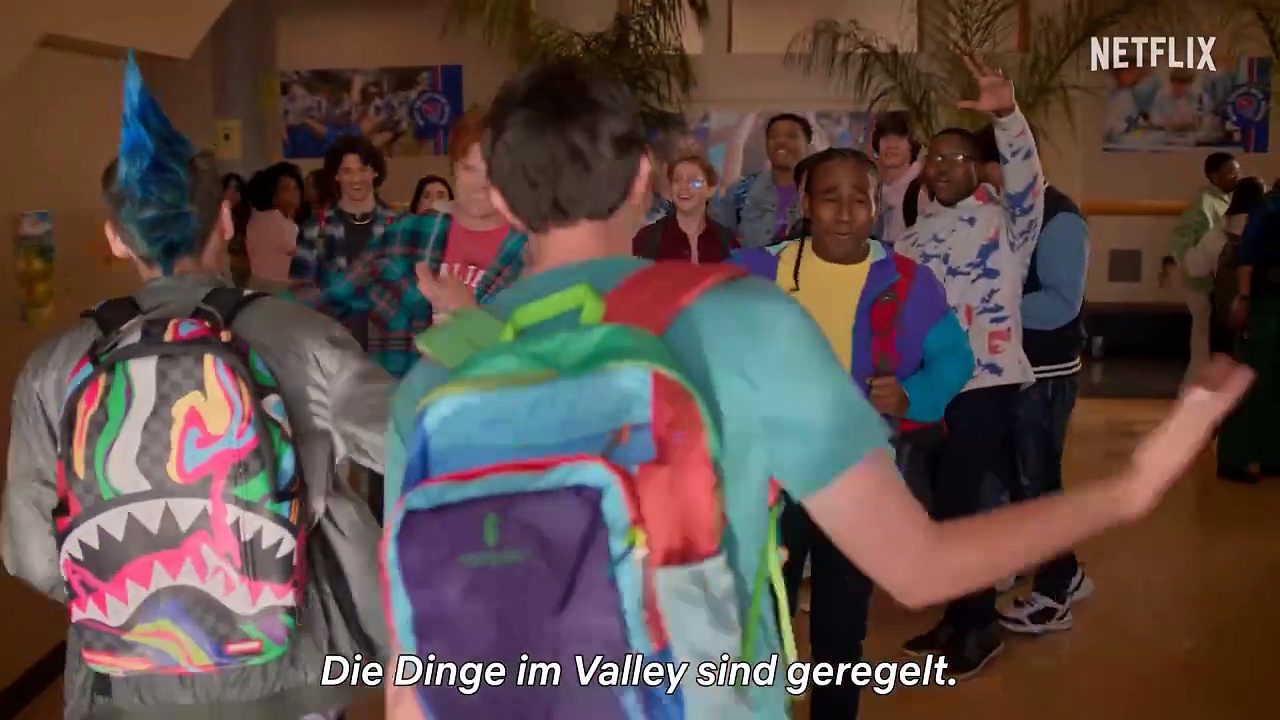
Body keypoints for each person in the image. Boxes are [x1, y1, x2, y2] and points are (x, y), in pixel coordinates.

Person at [383, 59, 1250, 720]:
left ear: (501, 195)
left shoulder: (436, 376)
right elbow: (917, 564)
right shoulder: (742, 319)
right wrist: (1127, 490)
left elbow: (411, 660)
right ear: (645, 177)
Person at [1, 53, 389, 720]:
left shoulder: (54, 366)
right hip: (294, 678)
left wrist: (145, 603)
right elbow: (411, 443)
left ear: (116, 239)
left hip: (123, 690)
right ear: (227, 221)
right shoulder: (304, 336)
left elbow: (30, 555)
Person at [734, 147, 972, 719]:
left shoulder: (908, 282)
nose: (844, 213)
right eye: (829, 198)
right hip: (772, 482)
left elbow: (955, 360)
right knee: (760, 622)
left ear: (876, 207)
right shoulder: (754, 272)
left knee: (841, 630)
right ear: (805, 203)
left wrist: (912, 395)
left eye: (858, 200)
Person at [896, 54, 1048, 676]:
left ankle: (979, 624)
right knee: (941, 507)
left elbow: (1028, 182)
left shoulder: (1006, 223)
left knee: (963, 503)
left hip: (987, 383)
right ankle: (960, 615)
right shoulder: (910, 239)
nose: (941, 166)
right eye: (933, 157)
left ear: (977, 167)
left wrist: (1007, 115)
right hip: (931, 388)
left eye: (955, 157)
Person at [962, 123, 1095, 634]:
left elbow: (1061, 303)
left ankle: (1055, 595)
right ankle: (1067, 572)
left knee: (1037, 483)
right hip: (1007, 369)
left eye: (988, 166)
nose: (986, 178)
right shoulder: (1002, 214)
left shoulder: (1059, 217)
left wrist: (985, 308)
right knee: (1018, 481)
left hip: (1045, 372)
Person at [290, 135, 402, 351]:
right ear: (336, 175)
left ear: (375, 172)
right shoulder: (314, 228)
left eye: (362, 170)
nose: (356, 179)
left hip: (388, 344)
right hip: (332, 343)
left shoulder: (398, 225)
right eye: (347, 171)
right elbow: (300, 290)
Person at [1220, 179, 1280, 483]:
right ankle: (1234, 458)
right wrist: (1243, 298)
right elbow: (1247, 256)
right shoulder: (1269, 210)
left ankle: (1271, 455)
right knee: (1251, 378)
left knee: (1274, 384)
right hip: (1264, 302)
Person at [1169, 151, 1239, 386]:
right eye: (1230, 172)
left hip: (1217, 283)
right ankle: (1190, 393)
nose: (1236, 176)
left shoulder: (1227, 201)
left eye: (1237, 171)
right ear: (1214, 176)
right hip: (1202, 284)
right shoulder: (1204, 202)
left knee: (1207, 344)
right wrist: (1192, 262)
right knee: (1202, 344)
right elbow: (1181, 238)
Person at [1183, 176, 1267, 355]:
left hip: (1225, 316)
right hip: (1263, 316)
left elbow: (1195, 267)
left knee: (1224, 362)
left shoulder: (1218, 231)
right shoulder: (1267, 229)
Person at [713, 113, 811, 247]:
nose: (781, 141)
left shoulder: (821, 194)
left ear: (807, 144)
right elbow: (719, 244)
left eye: (791, 136)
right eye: (773, 136)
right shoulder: (740, 192)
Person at [632, 154, 738, 262]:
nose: (683, 187)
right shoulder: (648, 239)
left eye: (693, 182)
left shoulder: (726, 241)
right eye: (676, 180)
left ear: (711, 189)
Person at [870, 110, 927, 249]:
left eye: (900, 138)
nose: (891, 145)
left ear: (913, 144)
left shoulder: (924, 189)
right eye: (885, 137)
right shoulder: (873, 187)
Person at [247, 162, 307, 291]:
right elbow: (304, 255)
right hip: (276, 289)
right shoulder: (277, 221)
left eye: (296, 188)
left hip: (258, 286)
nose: (294, 193)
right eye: (286, 189)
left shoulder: (258, 216)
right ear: (273, 195)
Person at [222, 173, 251, 286]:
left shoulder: (247, 217)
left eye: (236, 189)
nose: (231, 193)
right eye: (229, 188)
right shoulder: (221, 216)